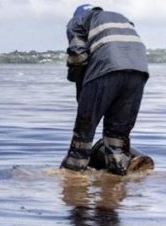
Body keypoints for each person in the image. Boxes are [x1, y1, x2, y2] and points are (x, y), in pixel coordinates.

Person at [61, 5, 149, 175]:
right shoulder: (121, 17)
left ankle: (73, 176)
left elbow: (78, 57)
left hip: (106, 69)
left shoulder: (77, 21)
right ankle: (118, 176)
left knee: (84, 133)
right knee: (117, 135)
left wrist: (78, 85)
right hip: (139, 71)